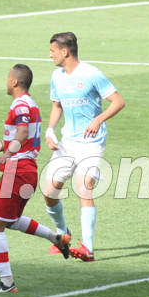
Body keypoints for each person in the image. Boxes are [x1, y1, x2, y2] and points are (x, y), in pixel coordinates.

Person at [0, 64, 71, 293]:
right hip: (26, 169)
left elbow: (22, 133)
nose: (6, 81)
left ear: (15, 82)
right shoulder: (30, 104)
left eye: (7, 77)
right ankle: (56, 238)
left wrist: (7, 154)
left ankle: (7, 284)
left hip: (18, 170)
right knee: (10, 220)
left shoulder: (21, 104)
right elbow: (17, 138)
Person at [42, 32, 125, 262]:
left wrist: (98, 120)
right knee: (49, 193)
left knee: (83, 188)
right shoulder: (56, 76)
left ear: (65, 51)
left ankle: (87, 247)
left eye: (53, 51)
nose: (50, 55)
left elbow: (118, 101)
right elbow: (57, 104)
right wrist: (50, 129)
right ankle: (62, 235)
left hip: (91, 142)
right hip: (67, 143)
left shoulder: (91, 73)